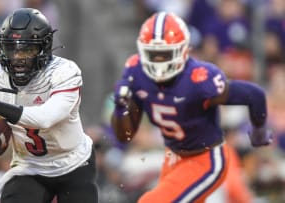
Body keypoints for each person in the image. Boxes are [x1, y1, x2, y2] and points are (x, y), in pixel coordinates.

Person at [111, 11, 272, 203]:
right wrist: (121, 108)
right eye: (153, 55)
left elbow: (254, 95)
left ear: (182, 51)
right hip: (173, 158)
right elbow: (125, 135)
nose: (158, 62)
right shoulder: (136, 72)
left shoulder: (199, 80)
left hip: (205, 159)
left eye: (164, 55)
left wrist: (259, 132)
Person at [0, 8, 98, 203]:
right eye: (12, 48)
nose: (18, 57)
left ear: (44, 48)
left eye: (27, 49)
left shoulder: (64, 72)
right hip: (29, 166)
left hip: (74, 162)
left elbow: (45, 119)